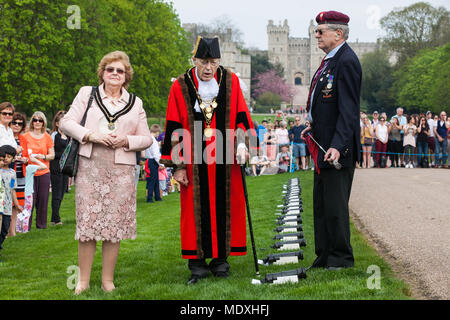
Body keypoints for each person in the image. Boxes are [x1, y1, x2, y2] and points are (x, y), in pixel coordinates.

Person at [160, 37, 257, 284]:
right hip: (194, 161)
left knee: (227, 208)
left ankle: (220, 261)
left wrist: (244, 144)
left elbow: (242, 116)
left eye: (213, 62)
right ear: (194, 60)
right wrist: (178, 167)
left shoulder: (231, 82)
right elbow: (173, 125)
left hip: (225, 160)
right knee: (194, 212)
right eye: (204, 62)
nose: (208, 68)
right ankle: (197, 264)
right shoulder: (180, 85)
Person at [60, 50, 152, 294]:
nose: (114, 74)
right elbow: (66, 122)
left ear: (126, 76)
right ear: (102, 73)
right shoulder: (86, 94)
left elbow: (146, 138)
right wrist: (91, 135)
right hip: (90, 167)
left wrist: (126, 140)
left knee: (114, 227)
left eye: (119, 71)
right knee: (88, 226)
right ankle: (82, 281)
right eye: (110, 69)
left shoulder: (135, 103)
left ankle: (107, 281)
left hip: (121, 170)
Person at [302, 11, 361, 270]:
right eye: (316, 30)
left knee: (336, 207)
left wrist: (338, 145)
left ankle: (341, 258)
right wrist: (311, 122)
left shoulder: (346, 61)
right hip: (323, 144)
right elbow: (324, 101)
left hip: (336, 149)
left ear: (338, 34)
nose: (316, 35)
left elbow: (348, 110)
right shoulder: (329, 61)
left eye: (321, 30)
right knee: (322, 204)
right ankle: (325, 255)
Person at [23, 111, 55, 229]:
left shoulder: (47, 137)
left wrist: (44, 157)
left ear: (43, 123)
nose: (37, 122)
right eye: (35, 120)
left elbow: (52, 155)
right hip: (29, 172)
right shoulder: (25, 136)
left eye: (40, 120)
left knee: (43, 199)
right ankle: (27, 225)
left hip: (44, 172)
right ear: (32, 122)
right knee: (30, 199)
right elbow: (23, 154)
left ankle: (41, 225)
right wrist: (26, 159)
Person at [0, 145, 23, 262]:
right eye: (4, 156)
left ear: (13, 159)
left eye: (9, 157)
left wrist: (17, 204)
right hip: (0, 204)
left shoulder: (12, 173)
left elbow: (13, 189)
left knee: (5, 228)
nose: (6, 159)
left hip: (8, 206)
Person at [9, 113, 29, 236]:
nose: (16, 125)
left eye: (19, 123)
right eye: (14, 122)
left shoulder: (23, 139)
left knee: (18, 203)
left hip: (20, 174)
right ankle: (9, 231)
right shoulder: (6, 136)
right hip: (9, 173)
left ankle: (13, 230)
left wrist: (26, 160)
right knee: (10, 201)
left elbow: (27, 156)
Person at [16, 155, 47, 233]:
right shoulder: (30, 168)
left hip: (19, 191)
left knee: (21, 210)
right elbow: (44, 166)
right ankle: (24, 230)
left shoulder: (17, 169)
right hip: (28, 193)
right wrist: (35, 160)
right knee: (27, 212)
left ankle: (18, 228)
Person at [49, 111, 69, 226]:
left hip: (65, 167)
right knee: (56, 193)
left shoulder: (68, 137)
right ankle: (57, 219)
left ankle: (53, 218)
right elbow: (51, 152)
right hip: (56, 166)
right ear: (57, 124)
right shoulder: (54, 136)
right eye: (62, 122)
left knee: (61, 193)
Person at [144, 124, 162, 203]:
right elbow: (156, 154)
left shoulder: (149, 138)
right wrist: (161, 163)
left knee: (155, 180)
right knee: (152, 180)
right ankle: (150, 198)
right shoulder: (153, 141)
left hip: (149, 160)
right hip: (153, 161)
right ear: (157, 132)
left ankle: (157, 197)